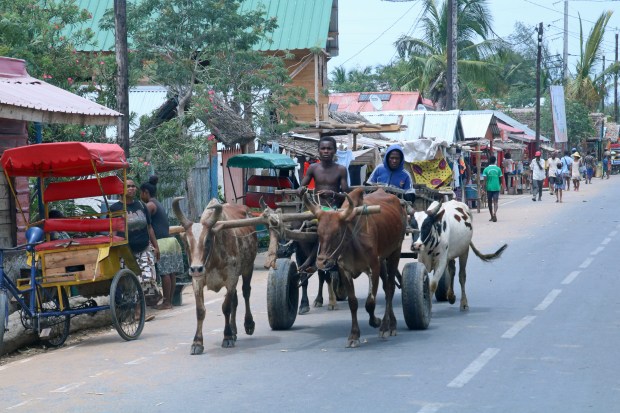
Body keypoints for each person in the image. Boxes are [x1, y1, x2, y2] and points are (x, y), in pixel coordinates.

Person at [110, 178, 160, 318]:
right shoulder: (115, 209)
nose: (132, 188)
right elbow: (113, 231)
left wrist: (156, 247)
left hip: (144, 248)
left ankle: (140, 309)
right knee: (131, 281)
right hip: (125, 252)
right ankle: (135, 312)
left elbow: (149, 227)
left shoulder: (141, 206)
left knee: (147, 278)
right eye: (128, 186)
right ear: (121, 190)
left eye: (133, 186)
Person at [140, 176, 184, 310]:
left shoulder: (149, 205)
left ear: (145, 192)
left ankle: (166, 302)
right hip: (170, 241)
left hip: (161, 243)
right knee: (171, 273)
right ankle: (169, 301)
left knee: (165, 273)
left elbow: (143, 223)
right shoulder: (157, 203)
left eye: (141, 193)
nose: (140, 195)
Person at [298, 136, 350, 207]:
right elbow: (301, 187)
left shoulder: (341, 169)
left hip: (335, 209)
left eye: (329, 148)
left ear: (335, 150)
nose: (326, 151)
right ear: (318, 150)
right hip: (317, 208)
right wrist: (300, 190)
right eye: (323, 148)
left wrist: (333, 194)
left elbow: (347, 195)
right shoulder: (313, 168)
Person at [482, 155, 502, 222]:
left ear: (489, 161)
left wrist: (483, 188)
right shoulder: (498, 169)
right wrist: (500, 185)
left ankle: (491, 216)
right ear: (495, 161)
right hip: (496, 187)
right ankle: (495, 213)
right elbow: (500, 179)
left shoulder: (486, 169)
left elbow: (484, 180)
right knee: (495, 202)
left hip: (489, 188)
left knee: (490, 202)